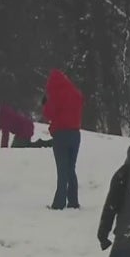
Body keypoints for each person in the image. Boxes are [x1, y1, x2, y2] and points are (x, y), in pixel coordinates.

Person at [43, 69, 84, 210]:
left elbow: (49, 114)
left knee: (62, 170)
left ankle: (59, 203)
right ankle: (73, 201)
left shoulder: (55, 95)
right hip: (75, 134)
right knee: (71, 168)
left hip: (61, 135)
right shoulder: (76, 93)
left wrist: (46, 103)